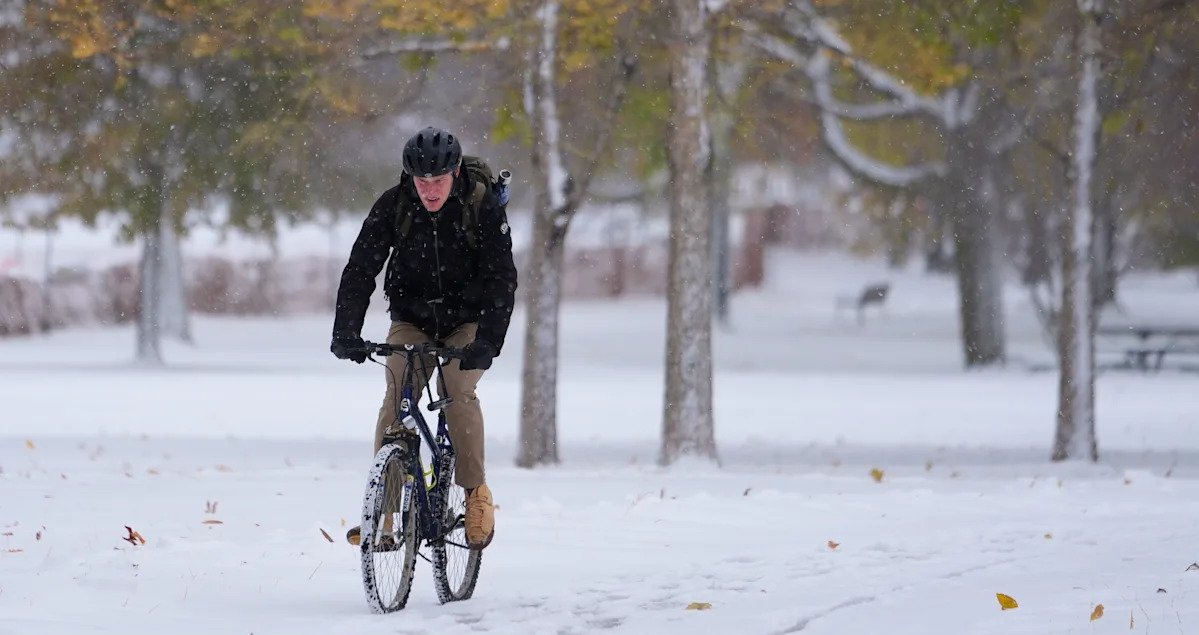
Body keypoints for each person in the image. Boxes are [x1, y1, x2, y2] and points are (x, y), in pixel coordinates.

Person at [330, 127, 517, 550]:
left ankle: (476, 493)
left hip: (466, 321)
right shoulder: (394, 204)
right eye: (422, 181)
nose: (430, 190)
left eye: (438, 181)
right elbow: (361, 267)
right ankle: (384, 515)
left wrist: (488, 341)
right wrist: (346, 330)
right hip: (412, 319)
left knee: (456, 388)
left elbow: (502, 279)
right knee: (397, 393)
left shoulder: (481, 206)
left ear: (455, 173)